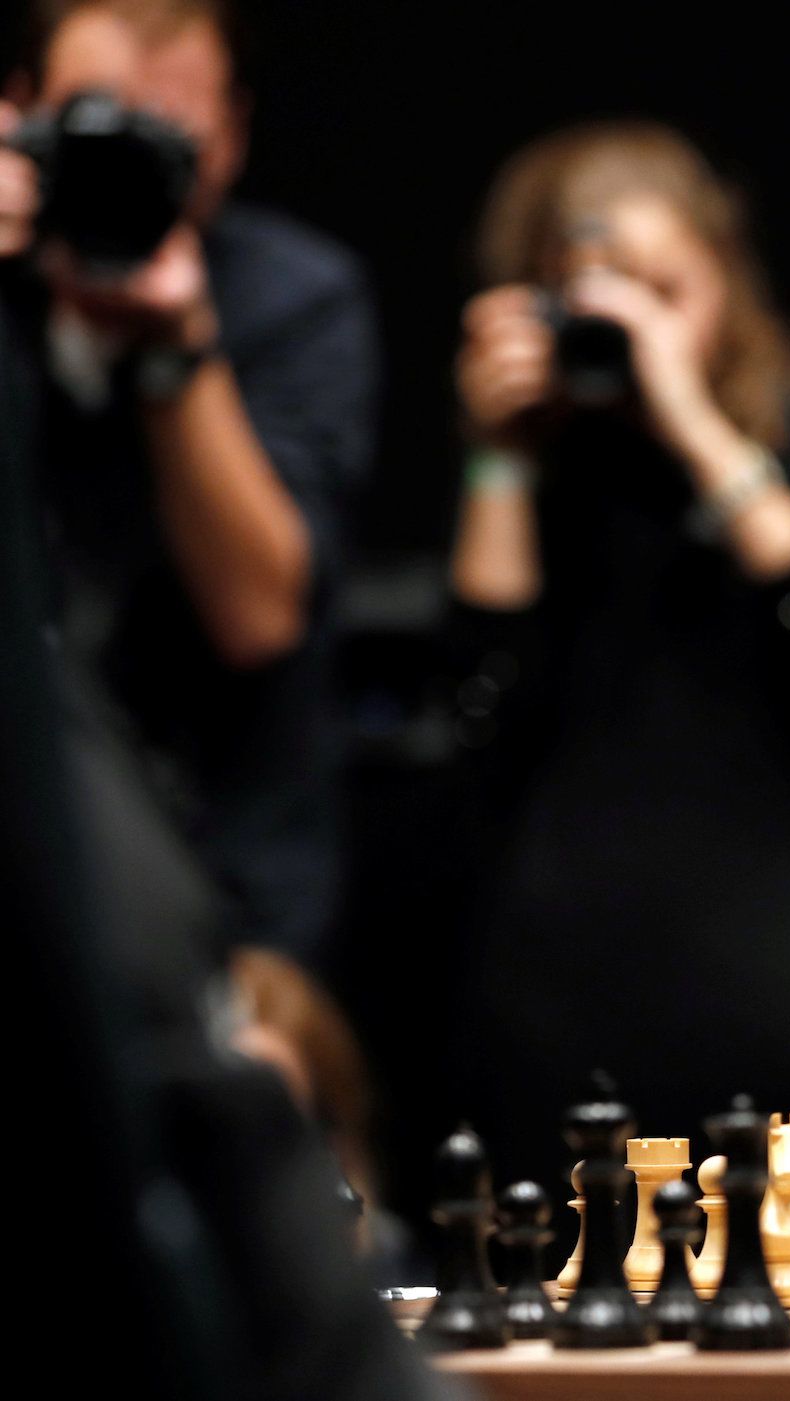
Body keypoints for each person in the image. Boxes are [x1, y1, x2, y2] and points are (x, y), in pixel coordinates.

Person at [446, 122, 790, 1183]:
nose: (632, 325)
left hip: (782, 970)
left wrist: (689, 416)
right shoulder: (544, 467)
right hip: (562, 981)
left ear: (726, 278)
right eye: (597, 296)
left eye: (664, 289)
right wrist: (496, 461)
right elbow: (482, 704)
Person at [0, 0, 378, 965]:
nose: (125, 162)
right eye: (95, 125)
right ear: (19, 115)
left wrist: (178, 344)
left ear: (233, 138)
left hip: (230, 893)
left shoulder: (296, 298)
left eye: (168, 133)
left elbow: (257, 614)